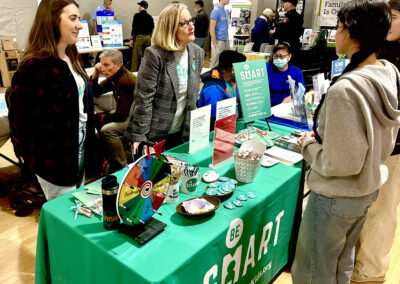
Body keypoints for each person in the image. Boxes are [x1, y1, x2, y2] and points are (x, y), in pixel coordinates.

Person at [291, 0, 400, 283]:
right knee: (341, 266)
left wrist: (308, 146)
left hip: (335, 197)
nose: (335, 34)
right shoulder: (388, 71)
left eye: (338, 28)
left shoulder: (346, 90)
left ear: (353, 33)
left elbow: (342, 163)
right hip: (366, 189)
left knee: (313, 271)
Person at [9, 0, 95, 201]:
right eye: (73, 18)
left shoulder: (71, 57)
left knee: (75, 206)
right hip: (55, 159)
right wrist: (26, 154)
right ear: (53, 21)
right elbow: (20, 118)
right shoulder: (35, 67)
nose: (80, 25)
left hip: (80, 149)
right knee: (64, 211)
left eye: (79, 18)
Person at [351, 0, 400, 282]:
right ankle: (357, 265)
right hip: (370, 144)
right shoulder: (381, 50)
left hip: (394, 148)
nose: (387, 23)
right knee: (365, 209)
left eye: (392, 17)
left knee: (382, 213)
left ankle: (370, 274)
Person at [124, 3, 204, 154]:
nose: (191, 26)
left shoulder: (197, 53)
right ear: (170, 28)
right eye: (184, 23)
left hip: (182, 135)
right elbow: (143, 99)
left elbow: (191, 98)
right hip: (153, 135)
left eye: (191, 20)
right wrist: (141, 138)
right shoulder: (154, 55)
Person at [90, 49, 136, 173]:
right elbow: (96, 91)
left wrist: (103, 118)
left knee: (107, 130)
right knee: (99, 119)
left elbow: (121, 116)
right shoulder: (116, 76)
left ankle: (122, 166)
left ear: (118, 65)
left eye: (106, 65)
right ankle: (110, 155)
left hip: (136, 119)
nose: (102, 69)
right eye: (101, 64)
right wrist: (95, 75)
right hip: (128, 113)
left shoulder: (124, 81)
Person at [197, 50, 246, 127]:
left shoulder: (233, 81)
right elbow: (213, 118)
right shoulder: (213, 89)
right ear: (232, 69)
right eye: (241, 67)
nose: (243, 70)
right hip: (221, 128)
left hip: (235, 122)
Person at [129, 1, 154, 72]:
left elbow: (134, 28)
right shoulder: (150, 17)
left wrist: (131, 39)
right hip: (148, 38)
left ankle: (133, 74)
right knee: (146, 57)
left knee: (135, 58)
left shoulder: (136, 15)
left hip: (139, 38)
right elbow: (152, 28)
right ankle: (146, 72)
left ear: (140, 7)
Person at [209, 0, 230, 69]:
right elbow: (211, 28)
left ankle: (222, 78)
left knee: (226, 62)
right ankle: (210, 78)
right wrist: (215, 43)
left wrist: (227, 37)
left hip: (226, 40)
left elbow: (225, 26)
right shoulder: (215, 11)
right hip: (219, 40)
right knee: (215, 63)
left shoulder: (225, 11)